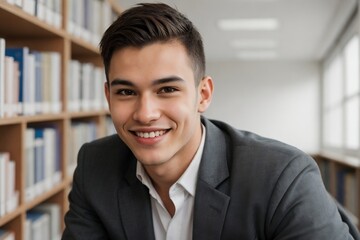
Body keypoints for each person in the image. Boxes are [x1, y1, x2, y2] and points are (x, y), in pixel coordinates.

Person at [62, 3, 359, 240]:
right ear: (108, 96)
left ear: (203, 95)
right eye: (126, 92)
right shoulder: (95, 166)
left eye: (167, 90)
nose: (145, 113)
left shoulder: (282, 176)